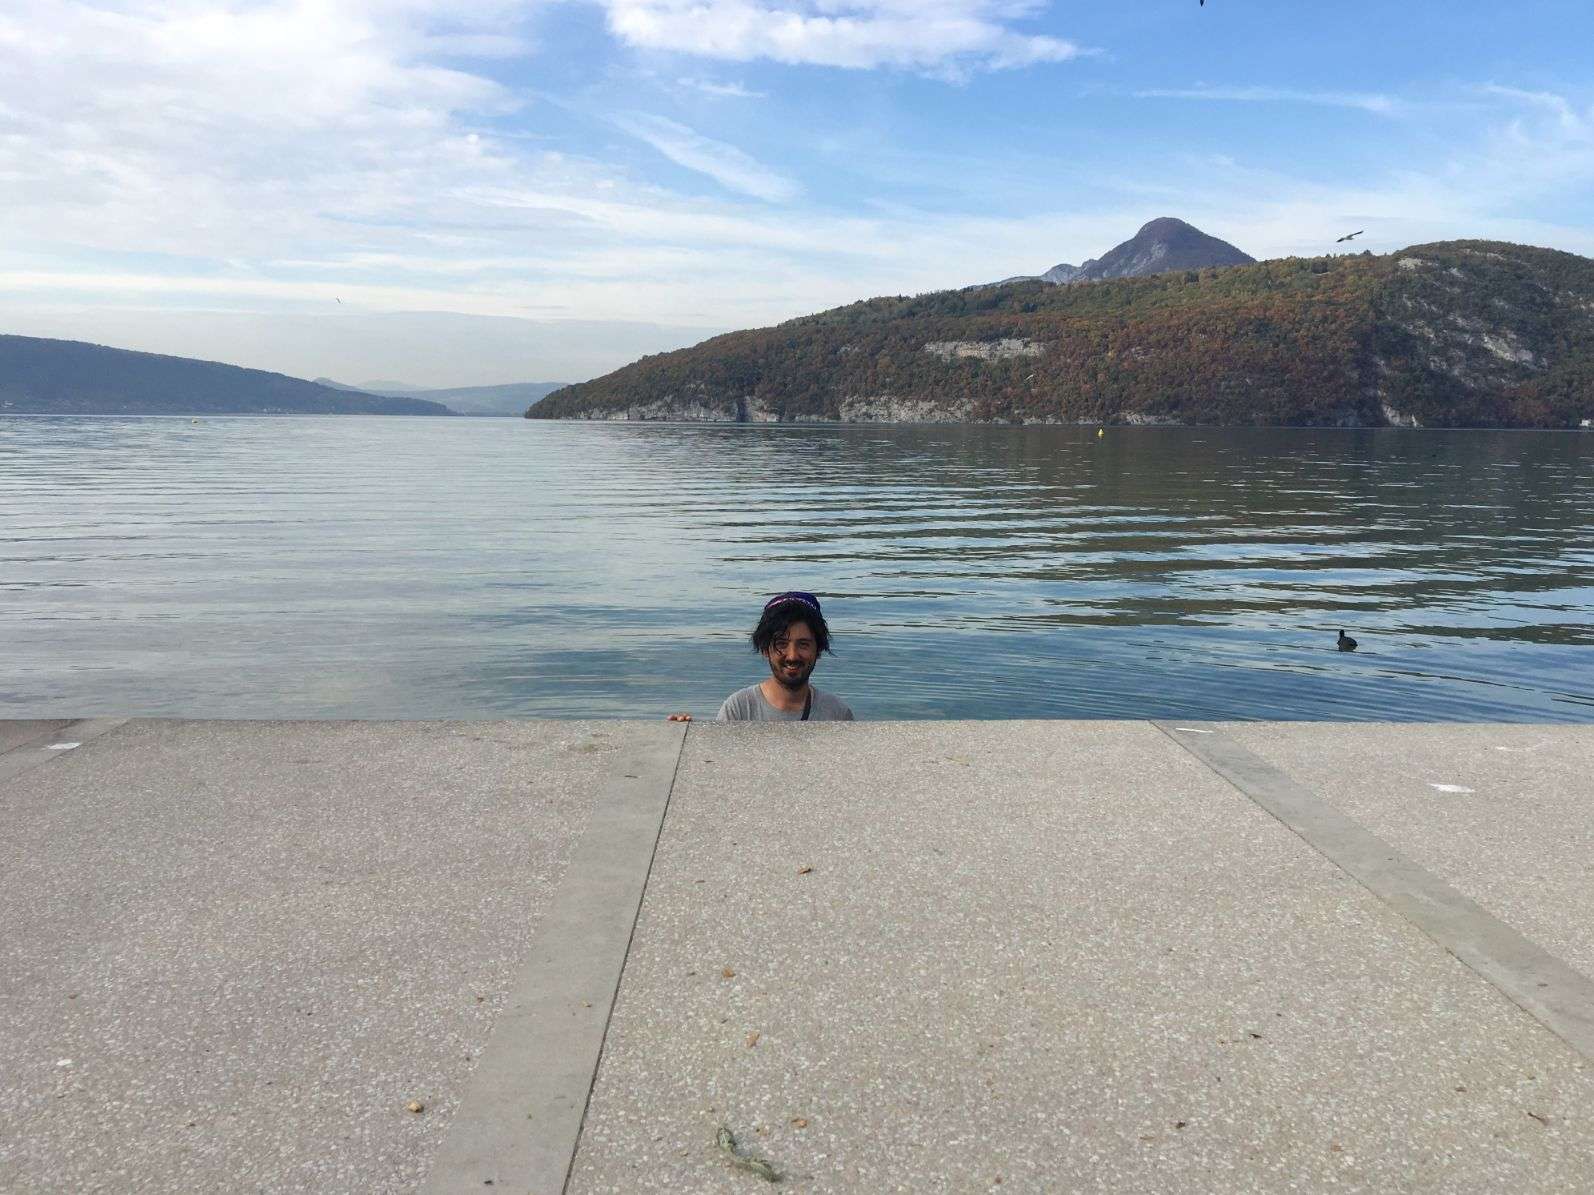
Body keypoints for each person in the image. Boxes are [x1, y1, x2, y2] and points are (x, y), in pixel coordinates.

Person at [667, 591, 854, 722]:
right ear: (765, 649)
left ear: (818, 650)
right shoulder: (739, 709)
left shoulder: (836, 712)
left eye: (803, 644)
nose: (792, 655)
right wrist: (684, 734)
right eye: (781, 644)